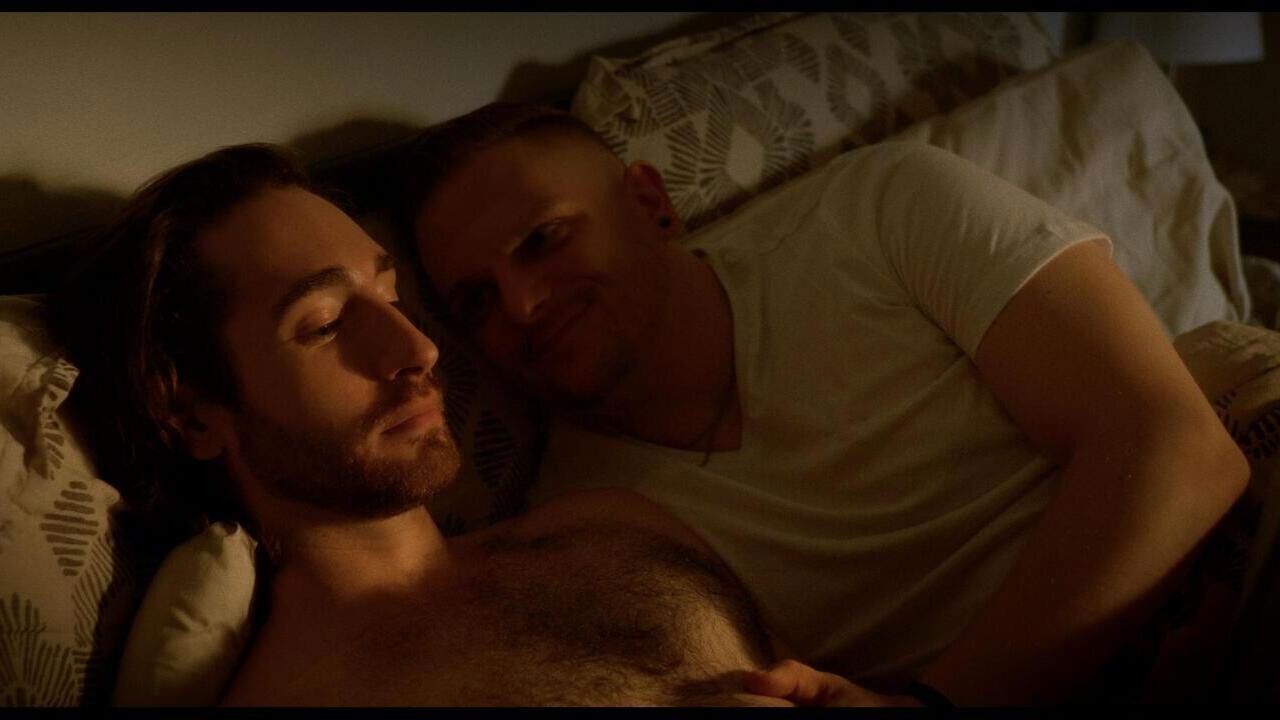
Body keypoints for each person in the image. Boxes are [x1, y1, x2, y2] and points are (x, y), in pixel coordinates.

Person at [403, 102, 1251, 706]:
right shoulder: (584, 531)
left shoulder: (877, 208)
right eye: (477, 299)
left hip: (1229, 549)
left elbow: (1181, 448)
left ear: (652, 204)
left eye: (544, 240)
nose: (521, 305)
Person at [51, 143, 823, 707]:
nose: (417, 350)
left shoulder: (618, 525)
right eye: (324, 324)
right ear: (191, 415)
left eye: (390, 298)